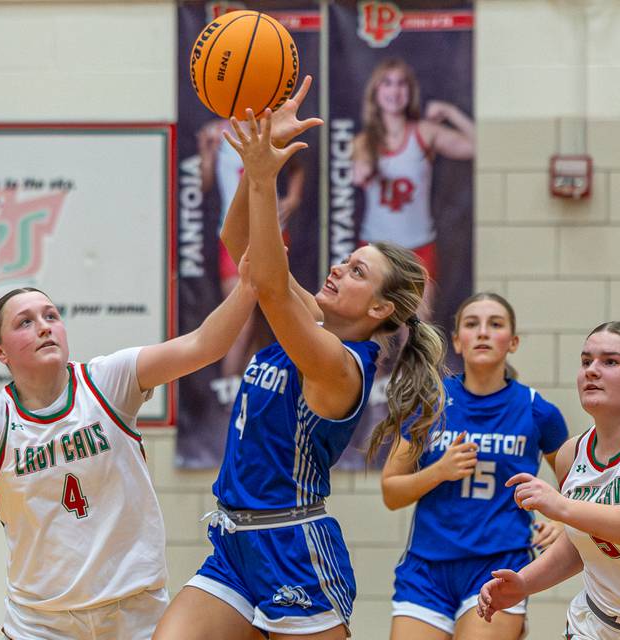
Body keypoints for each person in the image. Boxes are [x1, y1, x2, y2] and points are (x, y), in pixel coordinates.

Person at [153, 82, 446, 640]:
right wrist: (253, 165)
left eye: (357, 272)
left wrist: (265, 175)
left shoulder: (339, 363)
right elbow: (237, 239)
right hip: (235, 545)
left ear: (381, 308)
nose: (338, 268)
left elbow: (263, 280)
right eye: (346, 259)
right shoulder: (309, 315)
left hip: (293, 550)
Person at [0, 273, 258, 639]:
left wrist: (248, 285)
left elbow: (203, 344)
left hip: (132, 614)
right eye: (26, 322)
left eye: (51, 316)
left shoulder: (107, 381)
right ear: (0, 352)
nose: (44, 327)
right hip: (41, 624)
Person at [380, 292, 568, 640]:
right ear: (457, 341)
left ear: (512, 342)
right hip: (426, 569)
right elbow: (391, 492)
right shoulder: (429, 404)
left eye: (495, 324)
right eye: (471, 324)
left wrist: (562, 523)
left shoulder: (538, 410)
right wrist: (439, 471)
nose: (482, 332)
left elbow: (578, 486)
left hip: (498, 565)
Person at [477, 321, 620, 639]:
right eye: (586, 361)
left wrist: (562, 507)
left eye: (610, 361)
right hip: (594, 624)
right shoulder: (571, 452)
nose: (592, 370)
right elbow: (583, 541)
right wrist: (524, 583)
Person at [352, 58, 474, 318]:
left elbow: (475, 146)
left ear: (410, 92)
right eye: (387, 83)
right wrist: (364, 167)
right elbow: (358, 173)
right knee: (374, 330)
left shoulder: (424, 132)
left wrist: (451, 112)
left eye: (401, 84)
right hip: (376, 248)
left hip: (418, 247)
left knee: (419, 332)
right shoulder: (365, 141)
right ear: (376, 91)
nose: (394, 91)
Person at [198, 113, 305, 377]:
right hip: (235, 237)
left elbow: (297, 165)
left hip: (272, 233)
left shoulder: (271, 128)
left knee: (268, 320)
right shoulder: (217, 132)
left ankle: (245, 389)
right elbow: (204, 183)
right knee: (240, 321)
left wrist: (292, 198)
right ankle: (227, 396)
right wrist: (206, 152)